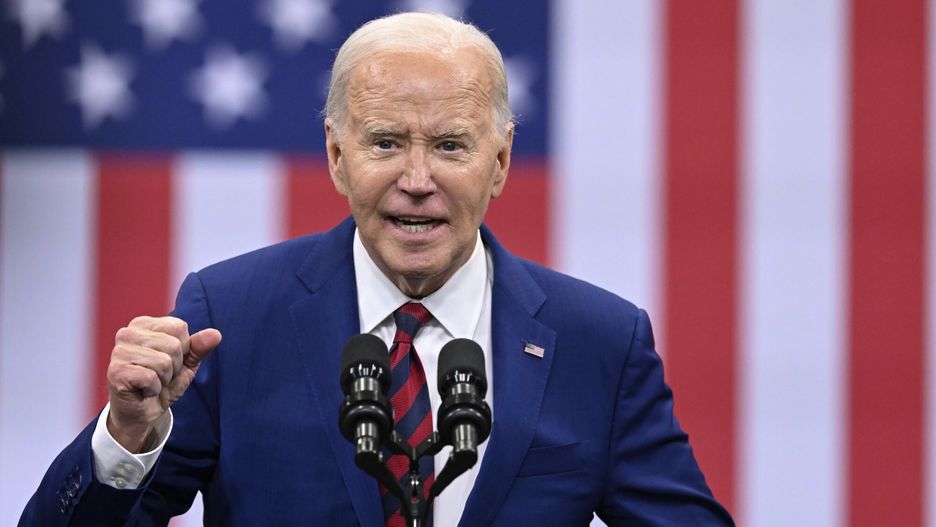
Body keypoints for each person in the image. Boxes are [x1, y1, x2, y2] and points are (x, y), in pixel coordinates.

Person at [20, 12, 733, 526]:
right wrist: (126, 434)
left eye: (451, 146)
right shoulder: (230, 314)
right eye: (386, 141)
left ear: (501, 162)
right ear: (337, 155)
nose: (416, 179)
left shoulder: (598, 340)